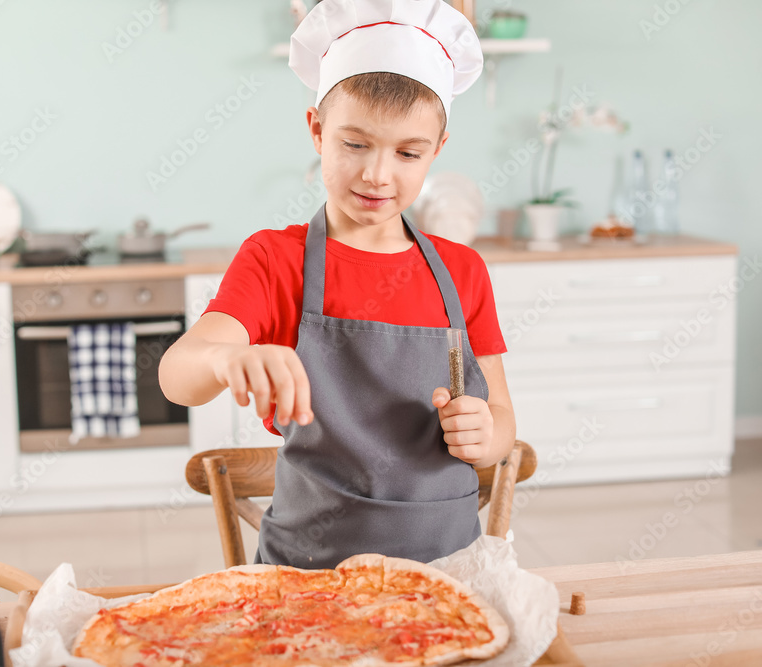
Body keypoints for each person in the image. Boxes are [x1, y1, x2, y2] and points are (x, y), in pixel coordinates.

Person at [159, 0, 515, 569]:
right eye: (355, 144)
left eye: (407, 153)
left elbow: (501, 418)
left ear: (437, 151)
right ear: (317, 130)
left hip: (447, 574)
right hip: (307, 575)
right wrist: (226, 359)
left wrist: (486, 436)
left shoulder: (462, 271)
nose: (378, 174)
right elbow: (178, 376)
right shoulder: (277, 260)